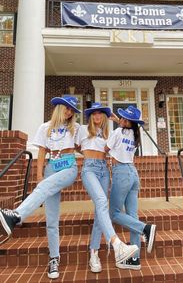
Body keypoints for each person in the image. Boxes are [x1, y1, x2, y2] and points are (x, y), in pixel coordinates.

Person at [0, 95, 81, 279]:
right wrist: (39, 176)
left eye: (72, 110)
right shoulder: (45, 127)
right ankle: (54, 258)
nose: (69, 112)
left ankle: (16, 215)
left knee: (45, 192)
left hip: (68, 166)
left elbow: (88, 143)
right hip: (51, 167)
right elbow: (42, 152)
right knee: (52, 219)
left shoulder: (75, 128)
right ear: (59, 107)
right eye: (66, 108)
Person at [75, 102, 138, 273]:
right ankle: (117, 244)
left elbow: (123, 132)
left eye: (101, 113)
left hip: (104, 169)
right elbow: (76, 146)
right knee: (102, 201)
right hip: (89, 169)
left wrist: (117, 119)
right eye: (94, 113)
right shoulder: (81, 129)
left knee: (99, 212)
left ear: (104, 116)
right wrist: (87, 155)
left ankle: (93, 254)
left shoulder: (108, 133)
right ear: (90, 116)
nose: (97, 116)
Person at [105, 105, 157, 270]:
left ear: (128, 122)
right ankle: (135, 259)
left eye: (124, 118)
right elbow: (123, 130)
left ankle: (145, 228)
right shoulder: (135, 134)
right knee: (132, 216)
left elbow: (105, 149)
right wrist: (116, 120)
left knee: (113, 213)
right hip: (133, 174)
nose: (121, 119)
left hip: (121, 173)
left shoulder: (117, 132)